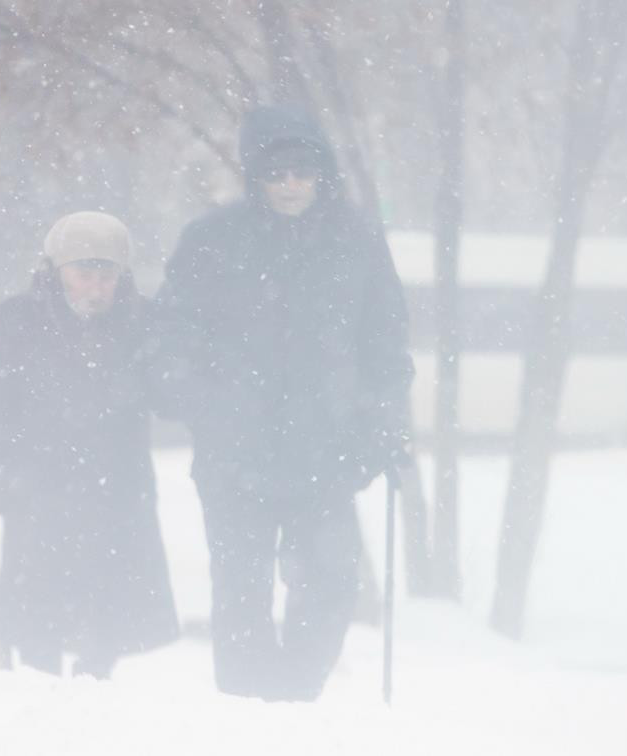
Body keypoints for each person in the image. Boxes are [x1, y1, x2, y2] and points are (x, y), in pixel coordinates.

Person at [154, 105, 414, 701]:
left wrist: (382, 422)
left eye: (303, 170)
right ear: (255, 175)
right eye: (277, 172)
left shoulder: (355, 242)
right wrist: (202, 402)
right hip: (235, 456)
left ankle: (292, 700)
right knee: (241, 593)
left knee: (331, 582)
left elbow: (386, 345)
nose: (291, 183)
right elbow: (169, 334)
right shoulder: (212, 241)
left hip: (326, 450)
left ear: (321, 172)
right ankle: (249, 716)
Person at [0, 211, 178, 678]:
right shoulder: (20, 318)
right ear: (55, 272)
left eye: (107, 275)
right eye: (83, 274)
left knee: (108, 609)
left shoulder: (142, 320)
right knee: (37, 609)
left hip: (116, 487)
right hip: (37, 486)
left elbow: (170, 397)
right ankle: (42, 691)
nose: (96, 287)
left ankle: (93, 688)